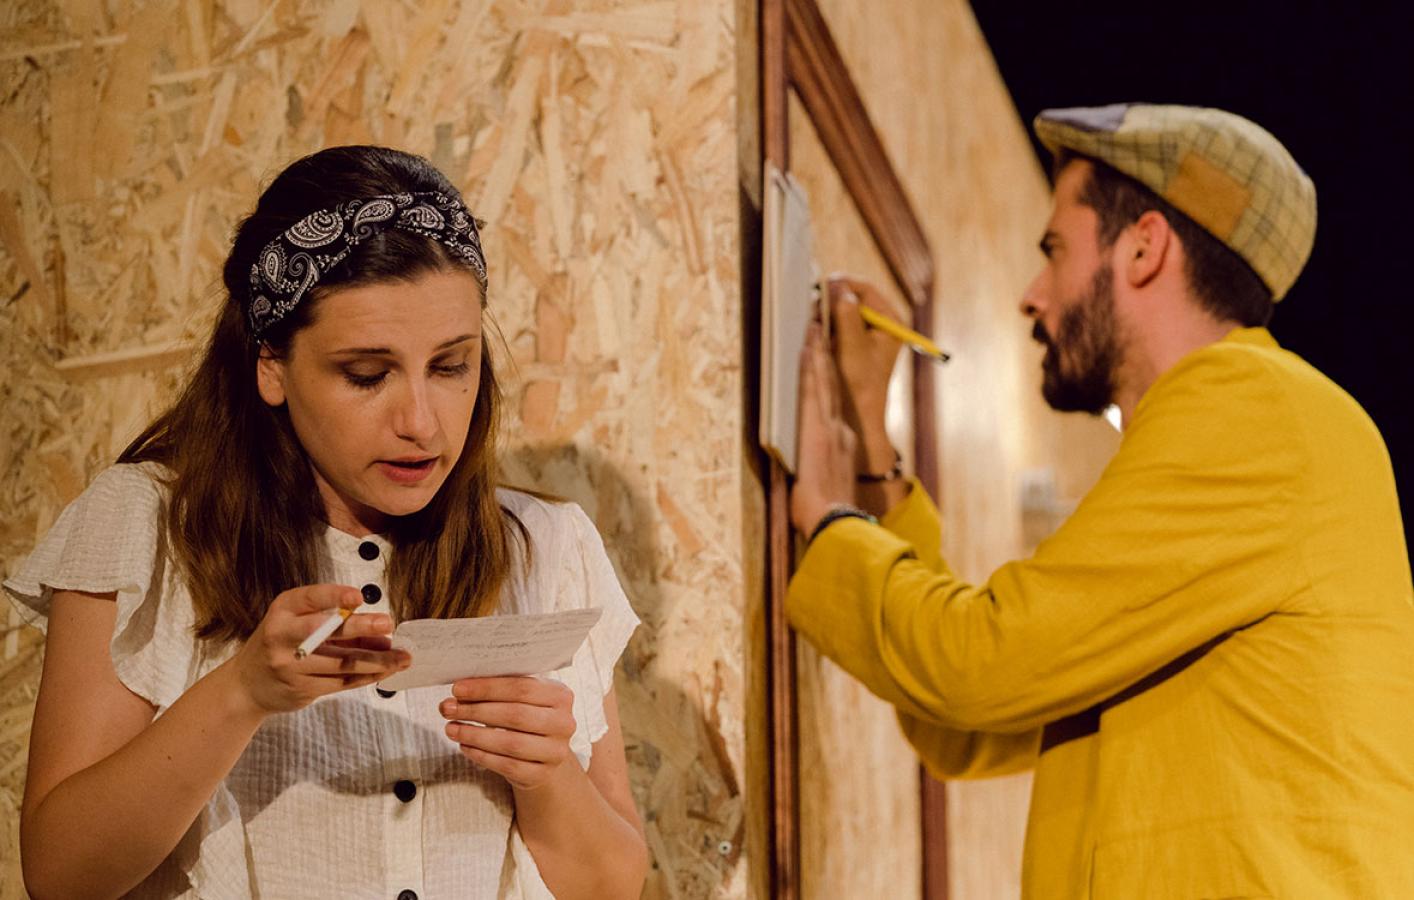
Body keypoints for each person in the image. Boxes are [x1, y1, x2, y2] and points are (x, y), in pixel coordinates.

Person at [788, 104, 1414, 897]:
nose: (1032, 295)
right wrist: (873, 462)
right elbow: (970, 722)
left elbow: (979, 664)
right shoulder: (1246, 432)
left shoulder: (1251, 406)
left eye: (1055, 249)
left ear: (1144, 247)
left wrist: (828, 518)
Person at [7, 146, 648, 899]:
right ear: (270, 364)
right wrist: (243, 692)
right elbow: (61, 875)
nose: (421, 422)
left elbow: (612, 886)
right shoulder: (149, 524)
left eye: (451, 366)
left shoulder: (547, 545)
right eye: (366, 375)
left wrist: (548, 774)